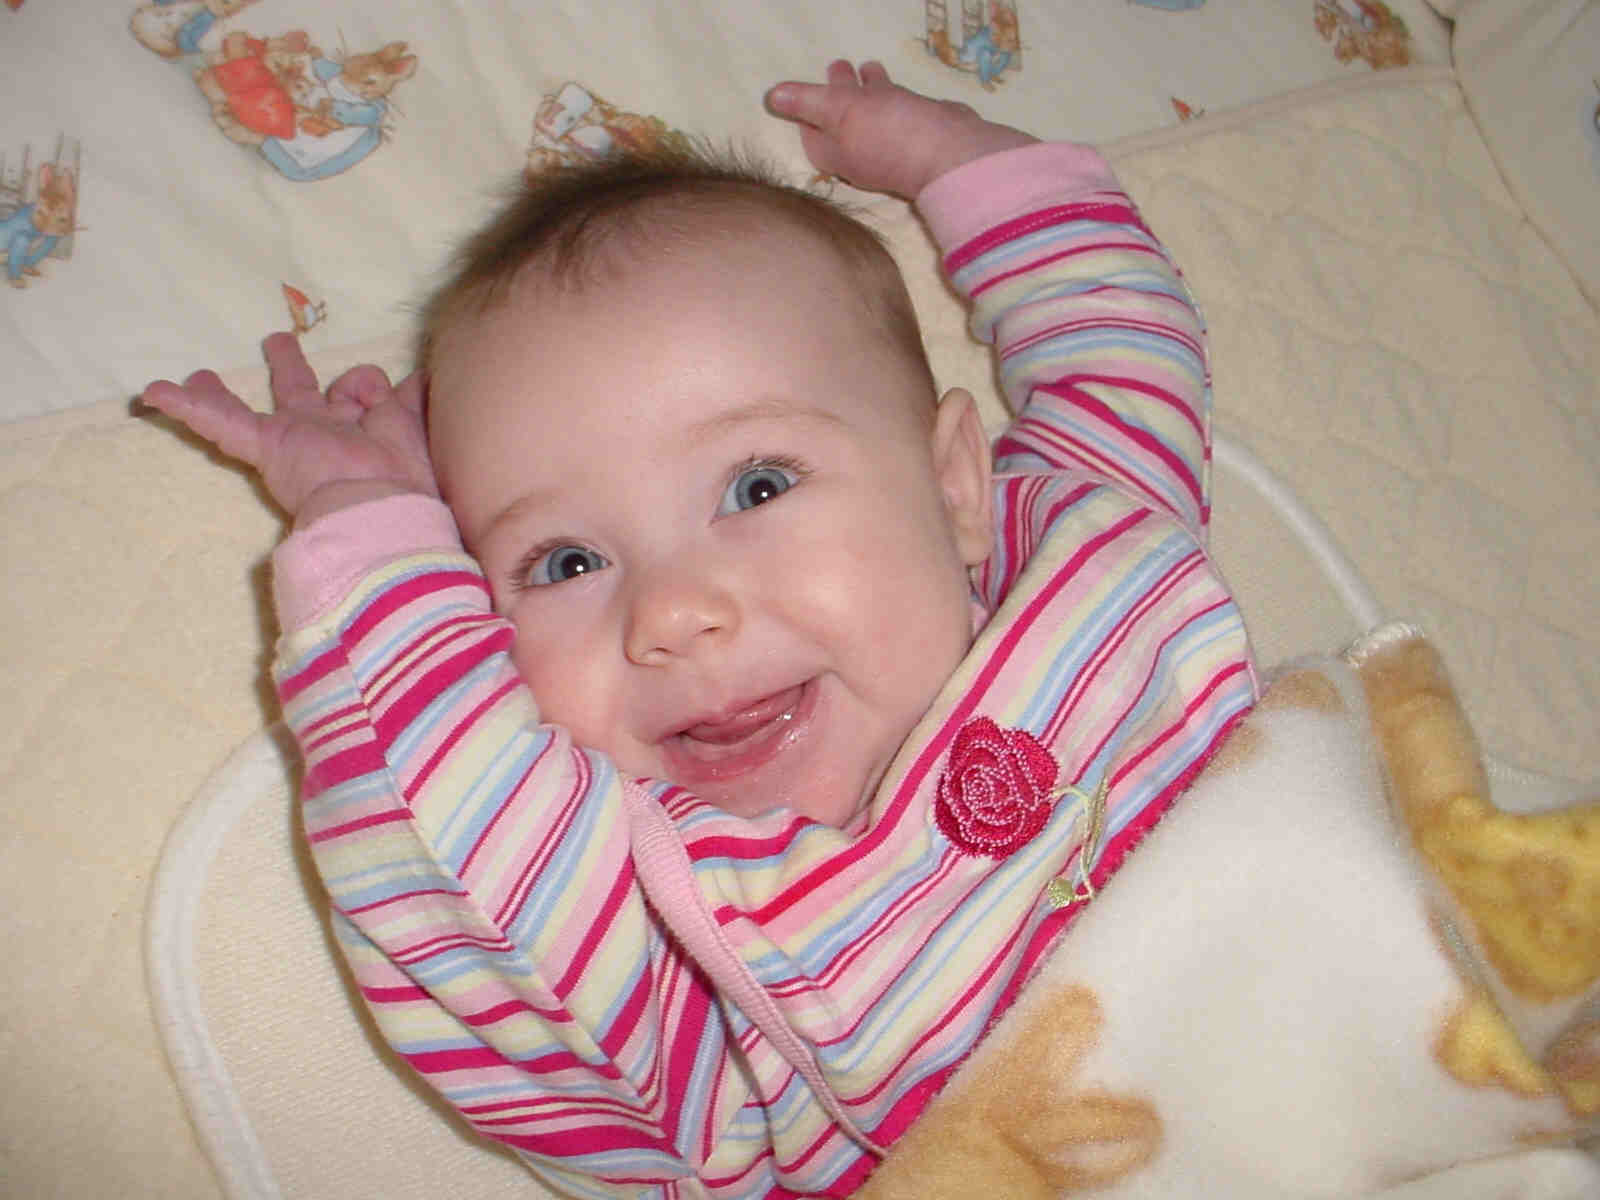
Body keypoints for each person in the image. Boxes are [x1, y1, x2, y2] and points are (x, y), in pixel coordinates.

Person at [143, 60, 1256, 1199]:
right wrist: (367, 527)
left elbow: (1119, 350)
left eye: (757, 486)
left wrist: (963, 166)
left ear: (954, 488)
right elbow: (449, 839)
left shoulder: (1077, 580)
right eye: (567, 563)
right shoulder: (680, 969)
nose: (670, 611)